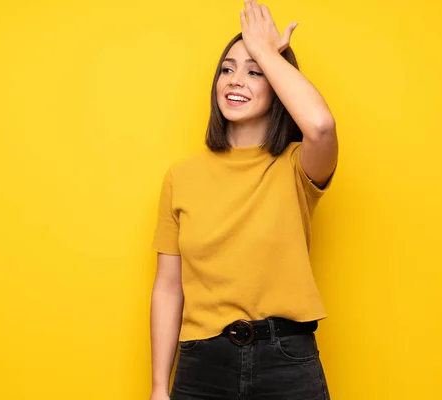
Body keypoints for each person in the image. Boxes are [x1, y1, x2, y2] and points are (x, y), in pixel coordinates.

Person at [149, 1, 338, 399]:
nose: (236, 80)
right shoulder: (180, 177)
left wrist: (269, 52)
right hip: (201, 364)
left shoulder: (297, 166)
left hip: (286, 361)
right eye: (227, 69)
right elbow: (168, 289)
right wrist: (158, 389)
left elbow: (320, 126)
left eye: (255, 72)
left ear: (277, 83)